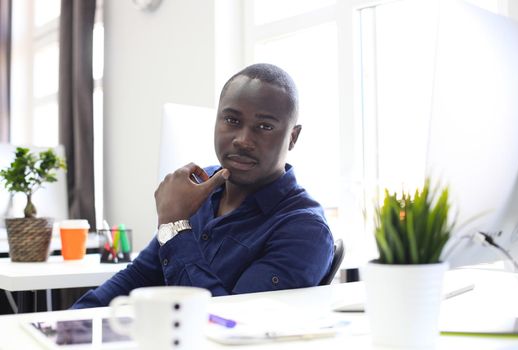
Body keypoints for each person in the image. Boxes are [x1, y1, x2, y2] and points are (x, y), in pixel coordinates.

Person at [72, 63, 334, 308]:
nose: (243, 140)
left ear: (293, 137)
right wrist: (71, 326)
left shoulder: (305, 229)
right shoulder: (199, 186)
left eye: (264, 126)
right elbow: (141, 275)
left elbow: (230, 327)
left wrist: (174, 226)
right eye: (232, 120)